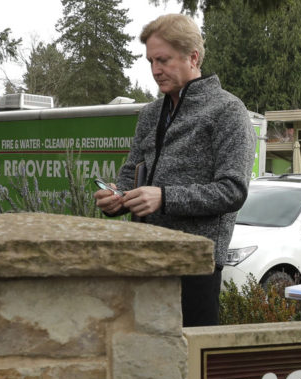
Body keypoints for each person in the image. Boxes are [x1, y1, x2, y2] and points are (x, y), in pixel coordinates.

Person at [94, 13, 255, 327]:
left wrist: (164, 198)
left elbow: (233, 190)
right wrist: (115, 197)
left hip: (195, 266)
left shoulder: (227, 111)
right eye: (150, 61)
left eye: (163, 60)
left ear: (193, 57)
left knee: (189, 365)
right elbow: (131, 174)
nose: (155, 70)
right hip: (145, 261)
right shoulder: (150, 114)